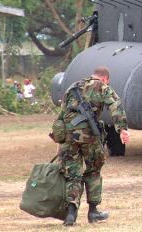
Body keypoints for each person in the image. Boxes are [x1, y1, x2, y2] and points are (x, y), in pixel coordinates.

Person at [55, 66, 130, 226]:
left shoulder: (72, 88)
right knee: (93, 171)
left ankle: (70, 214)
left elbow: (61, 115)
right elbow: (116, 105)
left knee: (72, 174)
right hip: (89, 137)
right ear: (105, 79)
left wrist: (58, 141)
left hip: (68, 137)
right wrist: (122, 129)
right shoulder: (102, 87)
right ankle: (93, 212)